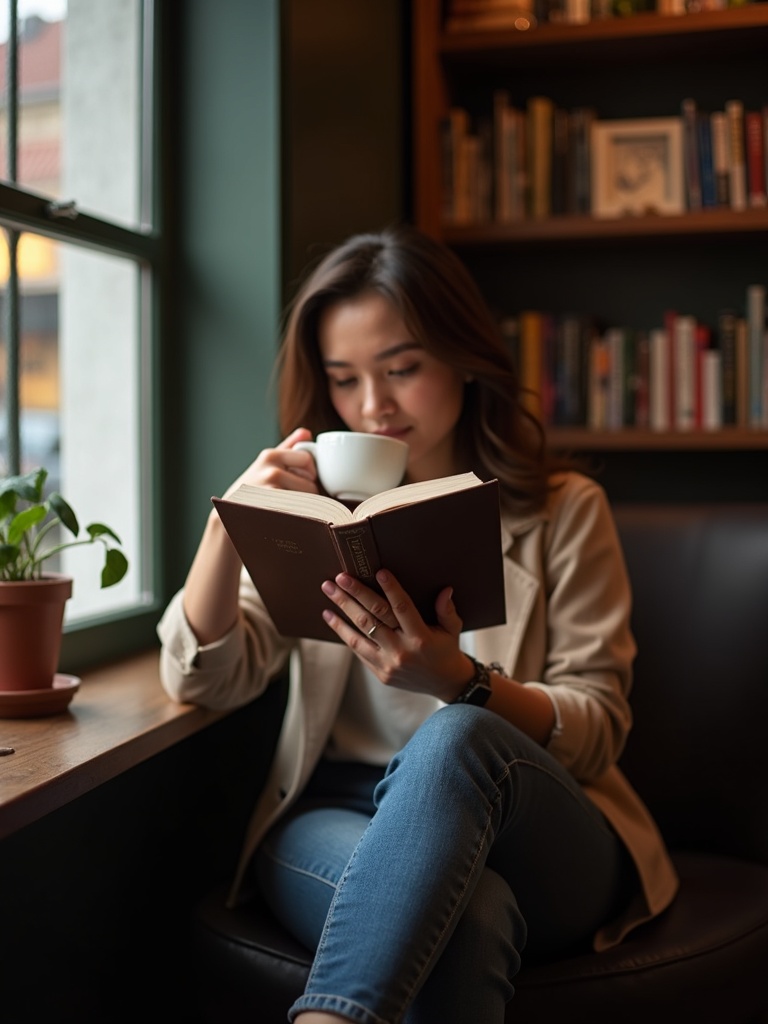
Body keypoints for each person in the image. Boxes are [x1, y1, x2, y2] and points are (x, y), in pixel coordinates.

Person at [157, 224, 678, 1024]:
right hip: (340, 812)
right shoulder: (311, 520)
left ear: (464, 357)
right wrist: (231, 523)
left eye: (402, 368)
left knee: (456, 733)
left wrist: (458, 683)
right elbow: (202, 676)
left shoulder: (563, 511)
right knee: (469, 918)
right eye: (344, 379)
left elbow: (600, 726)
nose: (373, 406)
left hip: (542, 827)